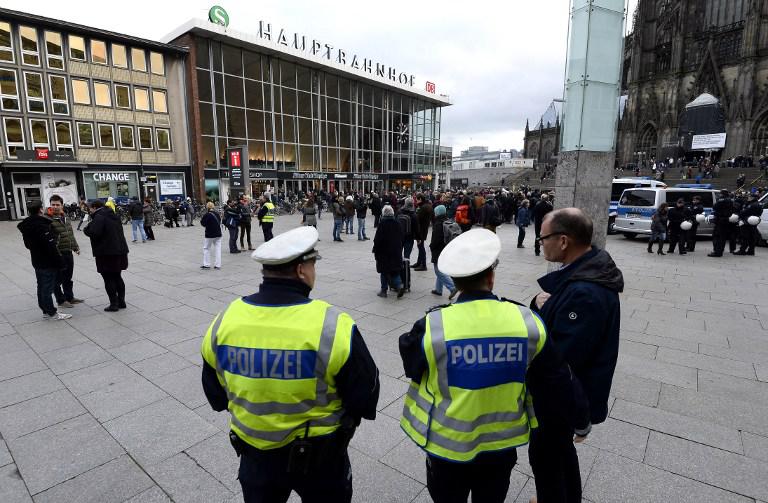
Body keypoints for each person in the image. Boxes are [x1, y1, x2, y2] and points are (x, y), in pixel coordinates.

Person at [399, 228, 590, 503]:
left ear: (454, 282)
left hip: (447, 450)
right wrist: (581, 420)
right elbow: (559, 378)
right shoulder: (526, 321)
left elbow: (411, 365)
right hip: (500, 447)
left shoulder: (432, 325)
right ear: (491, 277)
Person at [200, 226, 380, 503]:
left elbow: (215, 397)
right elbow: (365, 397)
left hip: (255, 457)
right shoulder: (332, 324)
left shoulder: (225, 319)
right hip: (321, 457)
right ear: (301, 271)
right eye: (312, 264)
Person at [530, 208, 623, 503]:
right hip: (568, 394)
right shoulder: (586, 271)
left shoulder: (585, 293)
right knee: (559, 453)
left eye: (543, 237)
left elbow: (560, 360)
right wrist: (539, 304)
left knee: (546, 456)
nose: (540, 243)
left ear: (564, 241)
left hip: (563, 397)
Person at [17, 201, 71, 321]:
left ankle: (46, 311)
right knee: (47, 287)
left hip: (37, 260)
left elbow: (28, 245)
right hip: (47, 261)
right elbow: (50, 246)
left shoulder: (27, 225)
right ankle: (51, 312)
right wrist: (60, 262)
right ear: (41, 210)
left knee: (41, 286)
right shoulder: (41, 225)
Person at [83, 199, 130, 312]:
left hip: (106, 253)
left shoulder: (99, 216)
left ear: (94, 207)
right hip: (120, 250)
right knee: (117, 276)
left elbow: (94, 232)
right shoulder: (112, 214)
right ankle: (121, 301)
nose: (89, 210)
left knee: (108, 278)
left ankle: (114, 304)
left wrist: (86, 229)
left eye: (89, 208)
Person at [49, 195, 84, 309]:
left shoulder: (65, 217)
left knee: (68, 277)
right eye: (53, 204)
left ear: (62, 205)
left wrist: (75, 247)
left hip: (68, 251)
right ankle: (61, 300)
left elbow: (70, 234)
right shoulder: (47, 219)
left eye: (57, 204)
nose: (55, 207)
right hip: (57, 254)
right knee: (58, 278)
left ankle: (70, 297)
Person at [373, 205, 405, 298]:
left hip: (384, 252)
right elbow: (401, 236)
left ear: (383, 213)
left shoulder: (382, 224)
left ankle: (384, 290)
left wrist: (375, 249)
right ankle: (399, 286)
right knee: (395, 271)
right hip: (395, 251)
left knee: (384, 271)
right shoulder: (397, 223)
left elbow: (377, 239)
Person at [428, 204, 457, 299]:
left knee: (438, 271)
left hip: (439, 250)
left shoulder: (438, 224)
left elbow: (435, 239)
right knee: (440, 269)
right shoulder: (448, 220)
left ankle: (452, 287)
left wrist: (431, 246)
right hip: (447, 248)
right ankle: (438, 289)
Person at [709, 189, 734, 257]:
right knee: (722, 237)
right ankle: (720, 250)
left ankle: (717, 252)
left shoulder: (722, 199)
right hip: (726, 219)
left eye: (720, 193)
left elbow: (715, 206)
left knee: (717, 236)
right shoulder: (730, 200)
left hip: (720, 219)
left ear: (722, 194)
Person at [413, 194, 433, 270]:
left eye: (417, 199)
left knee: (421, 247)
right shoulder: (426, 206)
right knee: (420, 246)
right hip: (423, 230)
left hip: (421, 230)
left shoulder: (423, 208)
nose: (416, 201)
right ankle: (419, 262)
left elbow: (418, 219)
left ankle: (423, 265)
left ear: (420, 199)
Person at [200, 202, 222, 269]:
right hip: (218, 233)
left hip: (210, 234)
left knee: (206, 248)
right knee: (218, 249)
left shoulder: (207, 215)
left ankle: (206, 264)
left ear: (207, 207)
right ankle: (218, 265)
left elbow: (203, 223)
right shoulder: (217, 214)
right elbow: (220, 221)